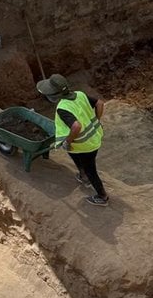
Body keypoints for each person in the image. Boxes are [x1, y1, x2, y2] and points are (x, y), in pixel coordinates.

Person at [36, 74, 109, 207]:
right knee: (72, 152)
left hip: (85, 145)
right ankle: (83, 175)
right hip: (93, 137)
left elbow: (76, 126)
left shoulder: (63, 108)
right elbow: (100, 103)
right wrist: (97, 121)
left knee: (90, 170)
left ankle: (102, 196)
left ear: (53, 95)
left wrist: (68, 141)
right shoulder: (79, 94)